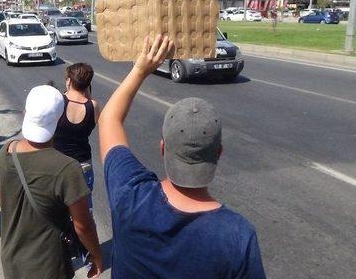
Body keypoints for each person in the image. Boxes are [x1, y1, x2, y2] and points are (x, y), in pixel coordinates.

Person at [98, 34, 266, 278]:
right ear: (218, 152)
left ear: (163, 147)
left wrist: (141, 69)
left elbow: (108, 120)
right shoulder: (238, 236)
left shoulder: (131, 196)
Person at [0, 85, 103, 279]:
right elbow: (83, 225)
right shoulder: (67, 168)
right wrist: (95, 255)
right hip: (49, 266)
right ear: (59, 120)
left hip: (12, 259)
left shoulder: (5, 152)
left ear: (25, 113)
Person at [53, 63, 100, 195]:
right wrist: (87, 95)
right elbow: (92, 124)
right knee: (84, 207)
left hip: (58, 163)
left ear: (69, 81)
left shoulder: (58, 102)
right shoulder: (93, 106)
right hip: (83, 163)